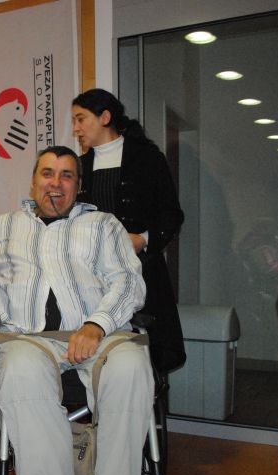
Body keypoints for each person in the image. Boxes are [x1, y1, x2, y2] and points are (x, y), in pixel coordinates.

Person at [0, 146, 153, 475]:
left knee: (132, 367)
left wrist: (97, 325)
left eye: (67, 175)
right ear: (33, 182)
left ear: (78, 185)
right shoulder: (2, 227)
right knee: (20, 371)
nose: (56, 183)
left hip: (101, 335)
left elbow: (128, 281)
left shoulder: (104, 225)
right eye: (48, 173)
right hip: (30, 338)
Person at [73, 88, 186, 374]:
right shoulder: (79, 167)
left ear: (105, 117)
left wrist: (143, 239)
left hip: (143, 271)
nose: (76, 128)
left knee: (143, 359)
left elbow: (171, 214)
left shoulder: (147, 158)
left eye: (81, 119)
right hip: (91, 277)